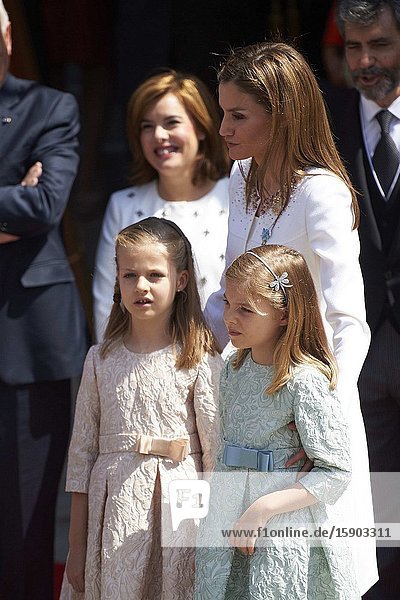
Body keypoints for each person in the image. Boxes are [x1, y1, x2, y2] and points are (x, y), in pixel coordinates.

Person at [204, 41, 378, 594]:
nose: (223, 128)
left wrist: (321, 414)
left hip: (310, 415)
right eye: (222, 112)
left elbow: (349, 320)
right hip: (250, 409)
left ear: (280, 114)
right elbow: (232, 290)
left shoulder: (321, 193)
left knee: (317, 574)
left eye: (238, 115)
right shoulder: (239, 180)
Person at [60, 217, 222, 599]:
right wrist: (77, 545)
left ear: (181, 280)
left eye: (154, 274)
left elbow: (216, 459)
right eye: (130, 275)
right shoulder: (100, 359)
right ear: (117, 280)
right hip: (112, 514)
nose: (141, 286)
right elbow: (81, 460)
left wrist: (213, 544)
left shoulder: (198, 358)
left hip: (180, 515)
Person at [195, 244, 359, 599]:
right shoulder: (232, 370)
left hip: (280, 527)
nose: (229, 319)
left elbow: (337, 472)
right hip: (227, 518)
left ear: (284, 315)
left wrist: (261, 509)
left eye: (246, 310)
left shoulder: (304, 381)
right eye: (227, 303)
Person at [0, 3, 87, 599]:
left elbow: (43, 207)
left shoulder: (50, 107)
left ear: (6, 37)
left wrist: (24, 207)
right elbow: (20, 208)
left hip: (28, 343)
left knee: (26, 524)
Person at [326, 2, 400, 598]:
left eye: (378, 44)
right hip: (360, 354)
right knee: (377, 519)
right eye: (353, 48)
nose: (365, 61)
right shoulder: (325, 123)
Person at [93, 69, 230, 341]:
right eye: (147, 126)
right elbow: (107, 301)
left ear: (201, 128)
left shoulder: (237, 193)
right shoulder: (123, 204)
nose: (159, 135)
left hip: (227, 365)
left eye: (171, 123)